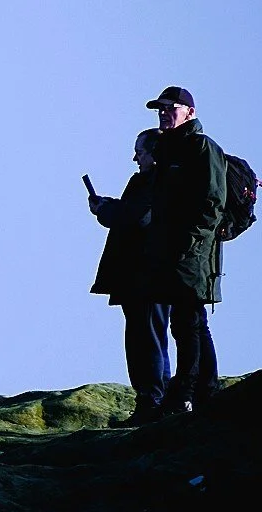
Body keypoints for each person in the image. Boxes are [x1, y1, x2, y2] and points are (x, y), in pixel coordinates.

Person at [145, 86, 227, 416]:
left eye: (170, 108)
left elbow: (213, 202)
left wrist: (190, 243)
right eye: (159, 109)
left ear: (189, 112)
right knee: (190, 321)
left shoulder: (201, 147)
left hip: (193, 253)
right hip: (174, 251)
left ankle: (186, 392)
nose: (164, 113)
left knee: (188, 321)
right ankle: (206, 389)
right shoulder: (169, 150)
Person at [89, 128, 170, 426]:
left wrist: (107, 210)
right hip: (148, 274)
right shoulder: (157, 181)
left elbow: (138, 217)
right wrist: (110, 207)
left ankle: (151, 402)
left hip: (144, 275)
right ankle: (156, 399)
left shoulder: (153, 181)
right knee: (151, 336)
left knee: (144, 338)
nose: (136, 157)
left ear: (154, 153)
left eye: (141, 151)